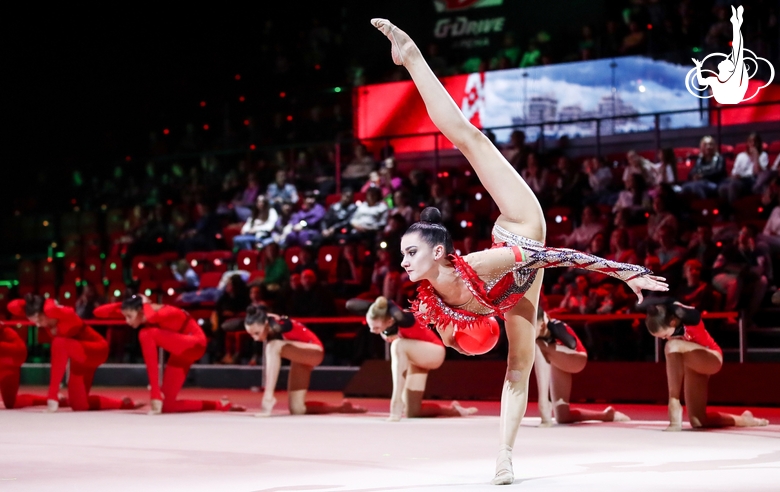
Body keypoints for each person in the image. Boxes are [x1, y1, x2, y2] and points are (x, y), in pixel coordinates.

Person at [371, 18, 667, 485]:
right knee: (519, 367)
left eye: (410, 252)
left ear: (441, 252)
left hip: (521, 229)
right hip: (514, 293)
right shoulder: (434, 298)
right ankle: (507, 454)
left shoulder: (471, 268)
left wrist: (626, 272)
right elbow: (490, 361)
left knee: (470, 139)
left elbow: (553, 256)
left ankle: (410, 55)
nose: (402, 261)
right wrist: (502, 458)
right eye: (404, 254)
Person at [94, 296, 244, 414]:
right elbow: (98, 312)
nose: (127, 321)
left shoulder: (162, 312)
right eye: (125, 316)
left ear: (141, 311)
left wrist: (144, 303)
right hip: (180, 350)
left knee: (146, 333)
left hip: (195, 343)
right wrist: (126, 303)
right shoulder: (144, 313)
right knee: (168, 406)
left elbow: (152, 318)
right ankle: (220, 405)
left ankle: (155, 393)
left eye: (129, 316)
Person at [644, 298, 768, 430]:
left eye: (664, 334)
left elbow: (692, 312)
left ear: (673, 322)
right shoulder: (669, 321)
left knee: (671, 345)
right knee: (699, 421)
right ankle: (743, 420)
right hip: (693, 365)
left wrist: (674, 306)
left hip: (711, 357)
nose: (663, 338)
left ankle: (674, 403)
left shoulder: (689, 319)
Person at [347, 296, 478, 420]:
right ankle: (454, 410)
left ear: (390, 321)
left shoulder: (405, 320)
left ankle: (396, 401)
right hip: (417, 358)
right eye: (370, 326)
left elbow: (400, 316)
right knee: (413, 411)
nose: (372, 331)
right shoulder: (385, 317)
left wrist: (389, 303)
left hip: (433, 352)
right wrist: (376, 305)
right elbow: (350, 304)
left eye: (376, 327)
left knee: (398, 345)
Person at [7, 295, 138, 412]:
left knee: (59, 342)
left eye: (39, 319)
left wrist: (49, 302)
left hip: (96, 349)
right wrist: (29, 302)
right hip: (78, 358)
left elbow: (54, 309)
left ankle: (52, 395)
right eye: (34, 322)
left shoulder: (65, 314)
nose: (38, 325)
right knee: (79, 405)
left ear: (47, 311)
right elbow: (12, 306)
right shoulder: (47, 318)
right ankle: (123, 403)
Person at [241, 306, 366, 416]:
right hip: (300, 356)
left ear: (266, 324)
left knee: (272, 346)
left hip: (314, 350)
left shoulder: (277, 324)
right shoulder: (265, 324)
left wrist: (272, 318)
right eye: (252, 335)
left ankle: (268, 397)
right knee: (297, 409)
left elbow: (284, 324)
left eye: (257, 333)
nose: (256, 338)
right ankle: (341, 407)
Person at [533, 307, 629, 425]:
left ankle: (543, 402)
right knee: (563, 416)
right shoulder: (541, 340)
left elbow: (572, 344)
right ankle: (606, 415)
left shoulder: (556, 326)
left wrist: (551, 337)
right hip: (558, 360)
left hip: (576, 357)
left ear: (542, 325)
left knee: (538, 345)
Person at [1, 324, 61, 409]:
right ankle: (53, 400)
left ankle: (53, 399)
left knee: (11, 403)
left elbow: (19, 352)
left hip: (11, 358)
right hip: (11, 360)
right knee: (11, 403)